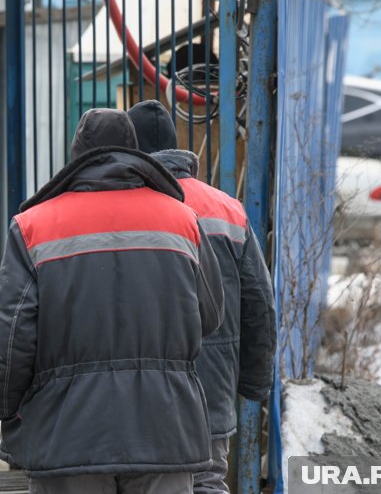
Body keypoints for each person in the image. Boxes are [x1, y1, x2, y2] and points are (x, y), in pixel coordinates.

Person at [0, 108, 225, 494]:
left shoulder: (33, 227)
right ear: (135, 153)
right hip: (164, 431)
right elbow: (210, 316)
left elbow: (11, 339)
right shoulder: (184, 220)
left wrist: (3, 406)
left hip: (67, 437)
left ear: (76, 157)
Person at [128, 100, 276, 494]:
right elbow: (259, 304)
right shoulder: (226, 207)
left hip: (141, 388)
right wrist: (253, 383)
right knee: (208, 478)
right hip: (212, 382)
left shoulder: (124, 207)